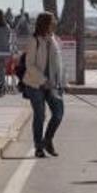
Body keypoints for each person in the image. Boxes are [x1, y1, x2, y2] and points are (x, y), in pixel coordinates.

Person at [23, 12, 65, 158]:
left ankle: (47, 140)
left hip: (53, 85)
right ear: (45, 23)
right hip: (35, 84)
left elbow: (59, 64)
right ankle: (38, 147)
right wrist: (43, 80)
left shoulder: (54, 40)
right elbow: (30, 65)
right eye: (52, 21)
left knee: (58, 114)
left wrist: (62, 82)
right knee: (40, 115)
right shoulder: (34, 40)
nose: (55, 23)